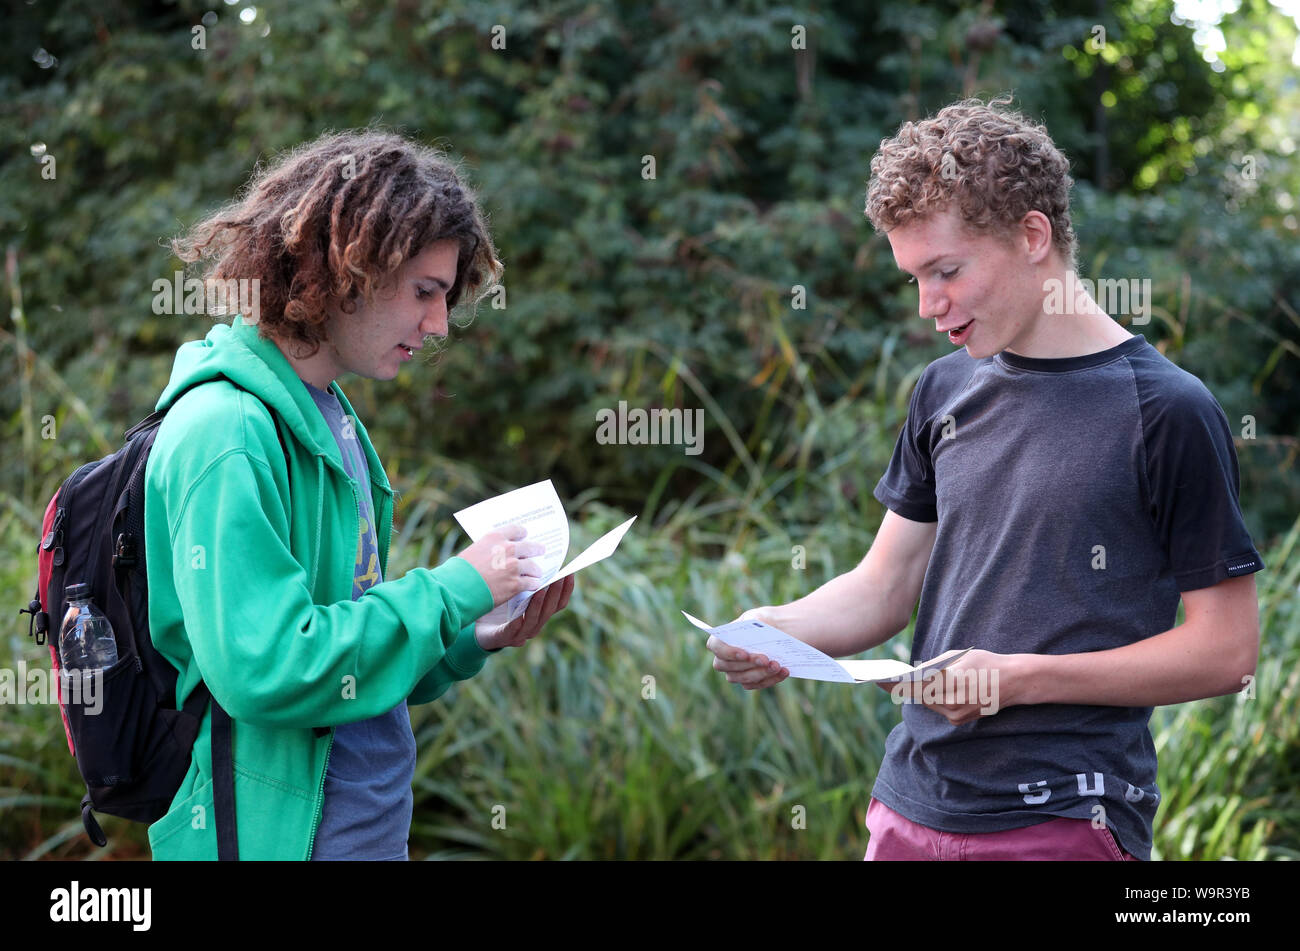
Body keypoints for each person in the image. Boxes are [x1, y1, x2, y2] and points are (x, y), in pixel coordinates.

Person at [706, 98, 1264, 861]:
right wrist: (778, 628)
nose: (930, 306)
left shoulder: (1167, 410)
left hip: (1064, 817)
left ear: (1033, 236)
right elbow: (884, 587)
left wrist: (1015, 678)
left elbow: (1226, 651)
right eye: (915, 279)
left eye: (946, 271)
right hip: (908, 805)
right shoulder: (943, 389)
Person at [143, 130, 573, 860]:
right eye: (425, 293)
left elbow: (345, 657)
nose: (438, 326)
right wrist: (450, 590)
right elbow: (268, 669)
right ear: (344, 268)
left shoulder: (331, 417)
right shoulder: (226, 434)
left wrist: (469, 633)